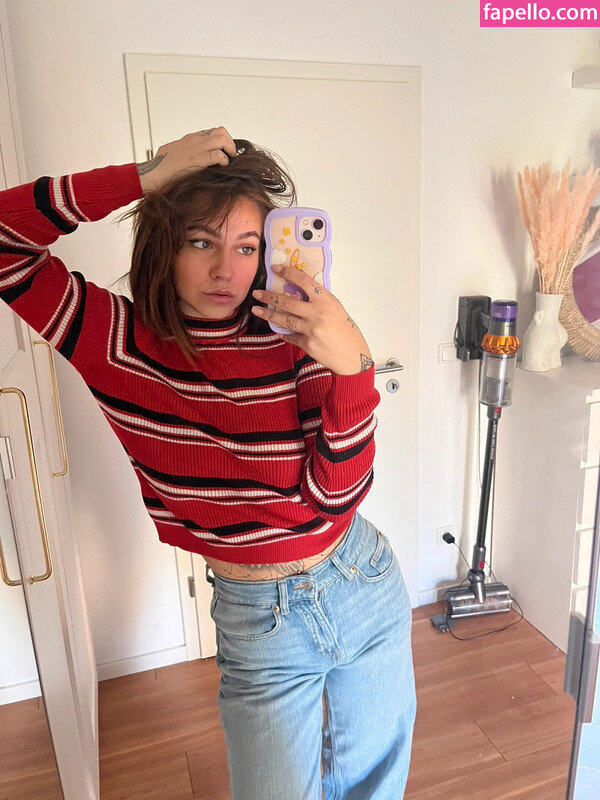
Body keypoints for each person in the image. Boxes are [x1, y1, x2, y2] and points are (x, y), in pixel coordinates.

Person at [0, 127, 416, 799]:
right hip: (258, 620)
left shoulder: (296, 335)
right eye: (201, 242)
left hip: (361, 581)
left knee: (375, 788)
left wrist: (353, 368)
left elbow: (334, 496)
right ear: (163, 245)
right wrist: (142, 177)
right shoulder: (115, 341)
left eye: (247, 247)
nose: (226, 270)